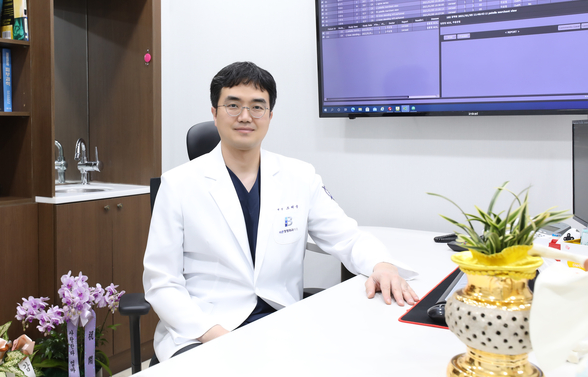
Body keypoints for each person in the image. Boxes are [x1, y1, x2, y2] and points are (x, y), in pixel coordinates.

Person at [143, 61, 419, 363]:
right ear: (214, 113)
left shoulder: (299, 176)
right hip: (204, 331)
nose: (245, 116)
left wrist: (382, 266)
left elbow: (348, 238)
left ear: (270, 115)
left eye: (257, 107)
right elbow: (162, 282)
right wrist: (217, 336)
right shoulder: (178, 184)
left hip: (280, 323)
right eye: (233, 105)